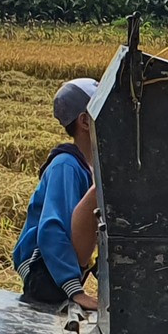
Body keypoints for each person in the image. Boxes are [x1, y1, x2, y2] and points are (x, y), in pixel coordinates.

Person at [13, 77, 101, 310]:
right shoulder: (66, 166)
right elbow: (52, 229)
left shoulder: (87, 167)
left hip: (59, 273)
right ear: (84, 121)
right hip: (42, 272)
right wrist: (75, 291)